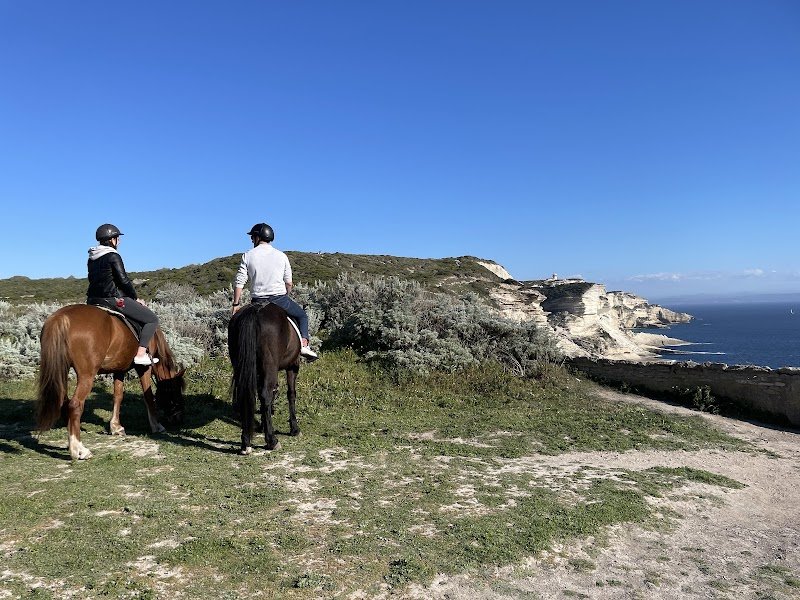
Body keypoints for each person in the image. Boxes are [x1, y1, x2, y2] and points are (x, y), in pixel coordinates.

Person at [232, 223, 318, 361]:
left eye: (252, 237)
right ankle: (304, 346)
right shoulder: (281, 256)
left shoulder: (247, 255)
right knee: (302, 316)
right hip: (279, 299)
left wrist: (236, 304)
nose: (252, 240)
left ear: (258, 237)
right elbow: (289, 282)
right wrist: (287, 293)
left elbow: (239, 282)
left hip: (257, 301)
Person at [86, 223, 160, 366]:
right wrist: (135, 298)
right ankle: (140, 354)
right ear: (111, 240)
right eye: (117, 238)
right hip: (113, 299)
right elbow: (123, 280)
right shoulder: (113, 255)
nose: (119, 241)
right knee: (152, 319)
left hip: (93, 300)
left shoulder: (91, 258)